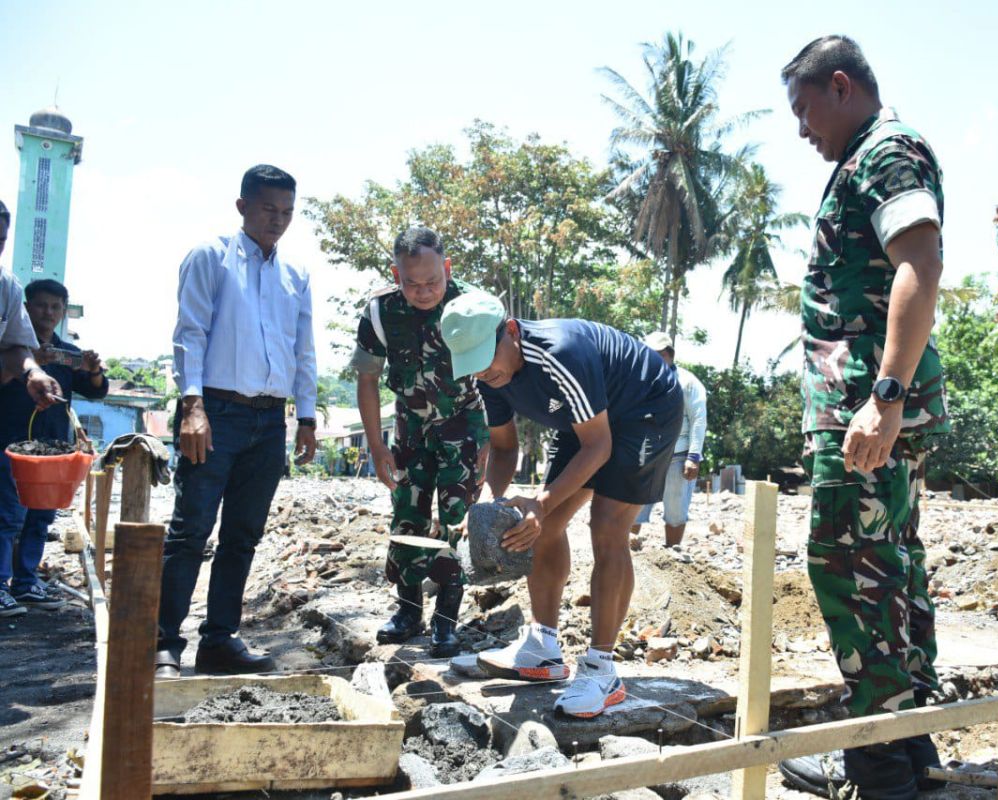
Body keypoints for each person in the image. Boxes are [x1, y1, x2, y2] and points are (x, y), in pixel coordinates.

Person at [774, 36, 950, 800]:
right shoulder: (864, 160)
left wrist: (884, 398)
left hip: (866, 406)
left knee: (849, 564)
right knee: (891, 562)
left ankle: (879, 770)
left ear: (840, 87)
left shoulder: (886, 152)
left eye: (806, 109)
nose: (802, 128)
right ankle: (908, 753)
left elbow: (922, 261)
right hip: (864, 404)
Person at [442, 291, 683, 719]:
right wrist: (487, 508)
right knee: (545, 526)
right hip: (585, 418)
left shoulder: (560, 353)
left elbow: (600, 444)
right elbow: (503, 448)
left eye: (488, 359)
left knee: (606, 525)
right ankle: (544, 650)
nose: (486, 372)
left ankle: (602, 670)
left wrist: (542, 501)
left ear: (511, 332)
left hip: (645, 408)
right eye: (476, 364)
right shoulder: (489, 374)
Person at [155, 165, 318, 679]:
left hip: (269, 421)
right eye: (269, 208)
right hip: (216, 414)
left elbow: (304, 351)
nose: (278, 220)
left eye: (288, 212)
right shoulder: (210, 257)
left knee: (243, 535)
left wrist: (307, 417)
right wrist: (192, 406)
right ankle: (163, 644)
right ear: (243, 205)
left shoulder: (296, 276)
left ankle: (219, 640)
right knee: (190, 531)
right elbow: (190, 334)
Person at [350, 226, 488, 657]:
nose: (424, 291)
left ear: (447, 267)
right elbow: (367, 378)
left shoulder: (473, 307)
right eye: (412, 283)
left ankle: (446, 622)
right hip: (409, 426)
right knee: (407, 515)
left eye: (433, 281)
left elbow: (501, 377)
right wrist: (376, 445)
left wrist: (491, 444)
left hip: (463, 426)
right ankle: (409, 611)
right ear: (396, 274)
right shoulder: (380, 312)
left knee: (454, 517)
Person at [0, 279, 109, 613]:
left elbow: (97, 390)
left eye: (55, 307)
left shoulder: (68, 355)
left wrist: (92, 371)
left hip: (53, 451)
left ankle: (26, 581)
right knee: (8, 516)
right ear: (26, 308)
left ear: (62, 312)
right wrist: (29, 361)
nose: (48, 312)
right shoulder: (11, 353)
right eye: (41, 305)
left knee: (41, 516)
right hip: (13, 446)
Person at [0, 200, 63, 618]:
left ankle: (17, 581)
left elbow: (16, 349)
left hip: (27, 445)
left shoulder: (6, 285)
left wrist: (31, 371)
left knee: (23, 517)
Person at [629, 331, 707, 547]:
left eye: (661, 355)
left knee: (675, 509)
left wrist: (694, 457)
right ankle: (628, 550)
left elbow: (699, 420)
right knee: (634, 506)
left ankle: (672, 553)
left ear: (670, 355)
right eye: (651, 355)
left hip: (679, 456)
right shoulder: (639, 382)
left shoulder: (688, 382)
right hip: (647, 455)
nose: (656, 360)